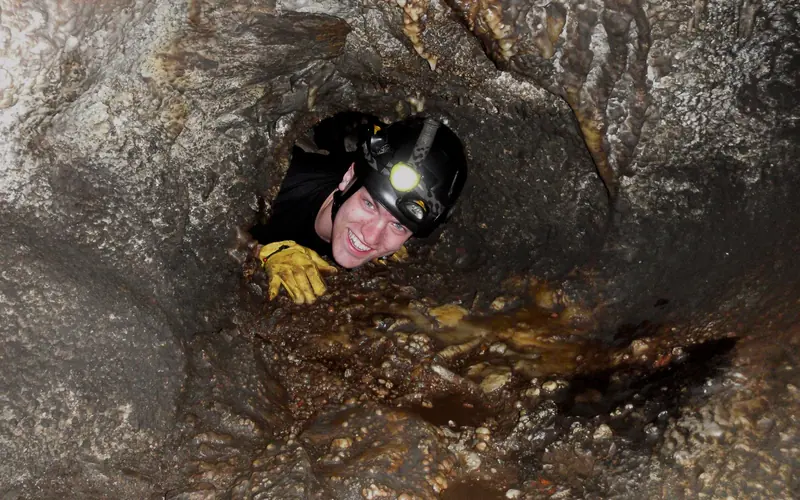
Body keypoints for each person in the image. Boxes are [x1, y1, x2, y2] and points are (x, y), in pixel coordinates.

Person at [251, 113, 468, 304]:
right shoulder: (280, 184)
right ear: (348, 178)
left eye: (398, 226)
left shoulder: (385, 242)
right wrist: (257, 251)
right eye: (369, 204)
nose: (371, 236)